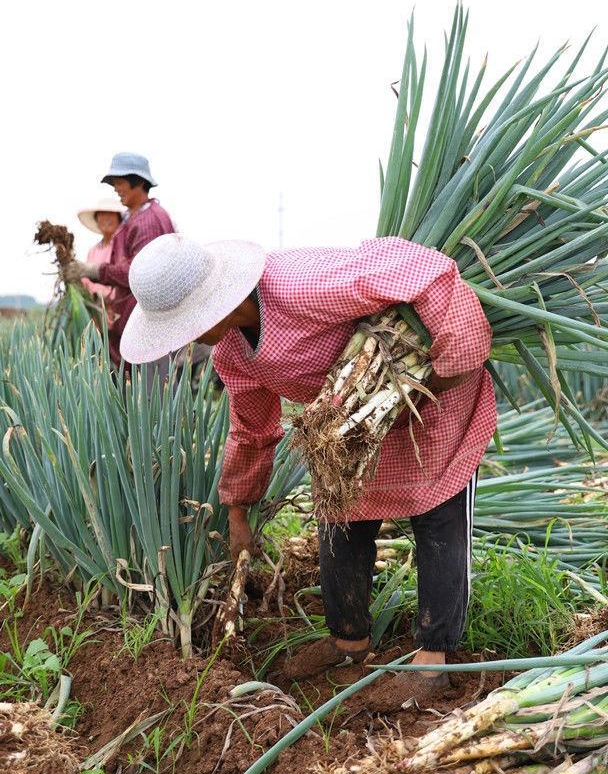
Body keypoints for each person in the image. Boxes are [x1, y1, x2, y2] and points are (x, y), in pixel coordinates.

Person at [119, 233, 496, 710]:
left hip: (431, 398)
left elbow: (427, 272)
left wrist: (445, 368)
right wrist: (238, 509)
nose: (187, 338)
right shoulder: (232, 353)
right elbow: (251, 429)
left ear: (213, 302)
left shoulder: (300, 285)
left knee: (437, 515)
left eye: (186, 324)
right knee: (339, 513)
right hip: (350, 426)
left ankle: (433, 660)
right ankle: (348, 640)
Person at [64, 153, 174, 367]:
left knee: (151, 385)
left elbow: (140, 273)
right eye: (114, 183)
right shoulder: (133, 219)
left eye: (120, 182)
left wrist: (94, 271)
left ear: (139, 182)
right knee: (133, 383)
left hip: (148, 328)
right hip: (134, 324)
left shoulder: (148, 221)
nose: (116, 189)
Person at [76, 196, 125, 302]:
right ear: (96, 220)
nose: (106, 218)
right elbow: (86, 279)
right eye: (102, 214)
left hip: (116, 304)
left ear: (119, 219)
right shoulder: (92, 251)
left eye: (110, 214)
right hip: (94, 305)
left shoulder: (123, 247)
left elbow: (122, 276)